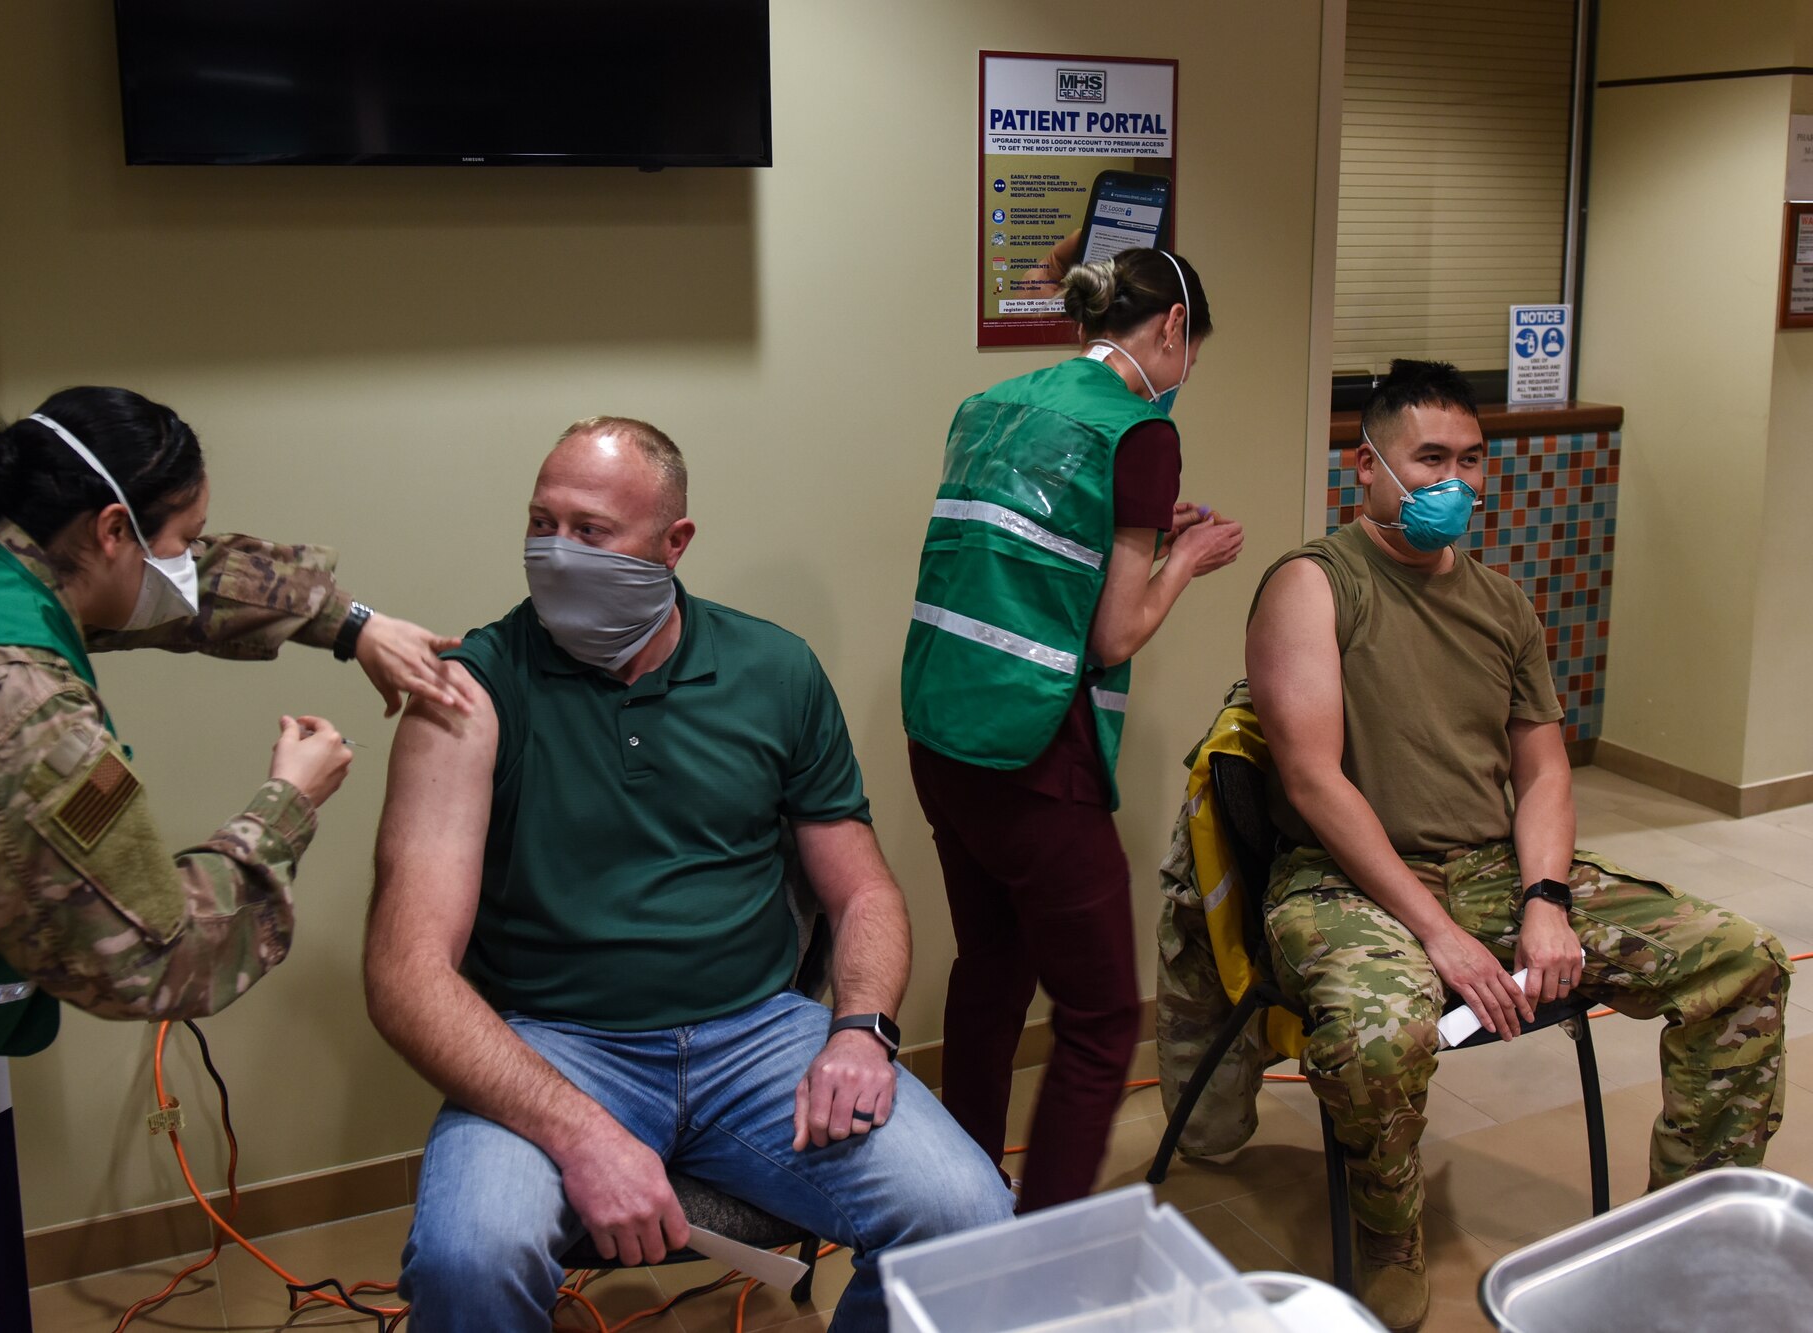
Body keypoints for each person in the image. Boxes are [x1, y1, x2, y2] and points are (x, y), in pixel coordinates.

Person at [0, 386, 480, 1332]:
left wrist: (351, 623)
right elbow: (155, 954)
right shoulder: (21, 714)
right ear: (114, 526)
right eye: (181, 536)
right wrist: (285, 805)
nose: (189, 561)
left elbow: (162, 589)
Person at [365, 416, 1014, 1333]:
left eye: (590, 532)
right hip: (556, 1044)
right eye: (539, 524)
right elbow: (405, 974)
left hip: (755, 1035)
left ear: (674, 544)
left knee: (967, 1214)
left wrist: (862, 1031)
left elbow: (863, 889)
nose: (554, 554)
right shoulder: (469, 695)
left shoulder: (774, 669)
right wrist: (581, 1131)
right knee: (470, 1260)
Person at [1244, 359, 1790, 1332]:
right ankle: (1384, 1230)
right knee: (1379, 1039)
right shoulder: (1312, 585)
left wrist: (1543, 898)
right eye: (1427, 459)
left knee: (1739, 961)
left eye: (1469, 458)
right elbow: (1310, 779)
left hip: (1494, 872)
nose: (1452, 481)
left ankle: (1688, 1222)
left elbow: (1541, 773)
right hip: (1347, 881)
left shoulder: (1501, 604)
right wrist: (1437, 937)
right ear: (1363, 468)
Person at [901, 248, 1244, 1212]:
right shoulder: (1139, 431)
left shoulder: (991, 405)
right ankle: (1040, 1252)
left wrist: (1137, 533)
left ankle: (958, 1204)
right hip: (1031, 754)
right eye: (1194, 351)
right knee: (1097, 1018)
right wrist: (1187, 560)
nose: (1187, 373)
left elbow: (1023, 546)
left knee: (993, 968)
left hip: (942, 734)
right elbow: (1112, 633)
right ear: (1172, 328)